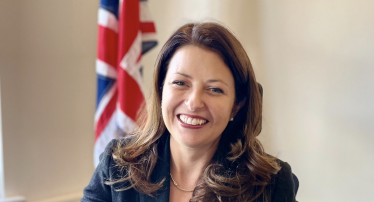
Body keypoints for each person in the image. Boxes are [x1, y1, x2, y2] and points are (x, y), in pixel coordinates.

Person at [82, 22, 298, 202]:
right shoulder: (117, 165)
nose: (194, 103)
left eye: (215, 89)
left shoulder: (272, 185)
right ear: (160, 91)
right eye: (180, 83)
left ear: (237, 104)